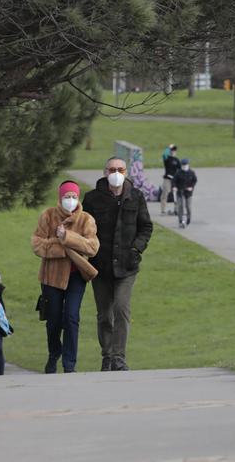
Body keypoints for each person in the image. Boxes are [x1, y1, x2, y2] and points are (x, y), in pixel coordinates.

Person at [83, 157, 153, 371]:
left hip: (126, 266)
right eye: (112, 169)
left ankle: (119, 358)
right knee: (105, 314)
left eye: (120, 169)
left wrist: (136, 249)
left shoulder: (136, 197)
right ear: (105, 172)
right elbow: (84, 228)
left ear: (126, 172)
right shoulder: (92, 199)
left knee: (121, 310)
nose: (116, 173)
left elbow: (146, 227)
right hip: (100, 266)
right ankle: (107, 356)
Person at [31, 180, 100, 374]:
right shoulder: (48, 216)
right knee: (53, 319)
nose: (70, 200)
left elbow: (92, 247)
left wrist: (67, 237)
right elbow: (37, 244)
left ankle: (70, 363)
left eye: (74, 197)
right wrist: (60, 245)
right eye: (67, 197)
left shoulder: (86, 219)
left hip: (76, 276)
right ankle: (54, 353)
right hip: (51, 277)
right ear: (60, 198)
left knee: (71, 317)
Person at [172, 158, 197, 228]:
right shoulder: (178, 173)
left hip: (188, 193)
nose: (184, 167)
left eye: (185, 165)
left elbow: (194, 180)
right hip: (180, 192)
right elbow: (174, 181)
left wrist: (191, 187)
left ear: (188, 165)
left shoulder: (191, 173)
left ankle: (188, 218)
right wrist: (174, 187)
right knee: (180, 206)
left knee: (188, 206)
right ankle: (181, 221)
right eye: (183, 165)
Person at [161, 144, 181, 215]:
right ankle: (163, 210)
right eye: (172, 150)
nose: (173, 151)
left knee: (176, 195)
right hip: (167, 179)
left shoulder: (177, 160)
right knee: (165, 194)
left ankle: (176, 210)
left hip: (174, 180)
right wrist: (168, 147)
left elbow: (180, 170)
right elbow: (164, 154)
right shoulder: (167, 159)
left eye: (174, 150)